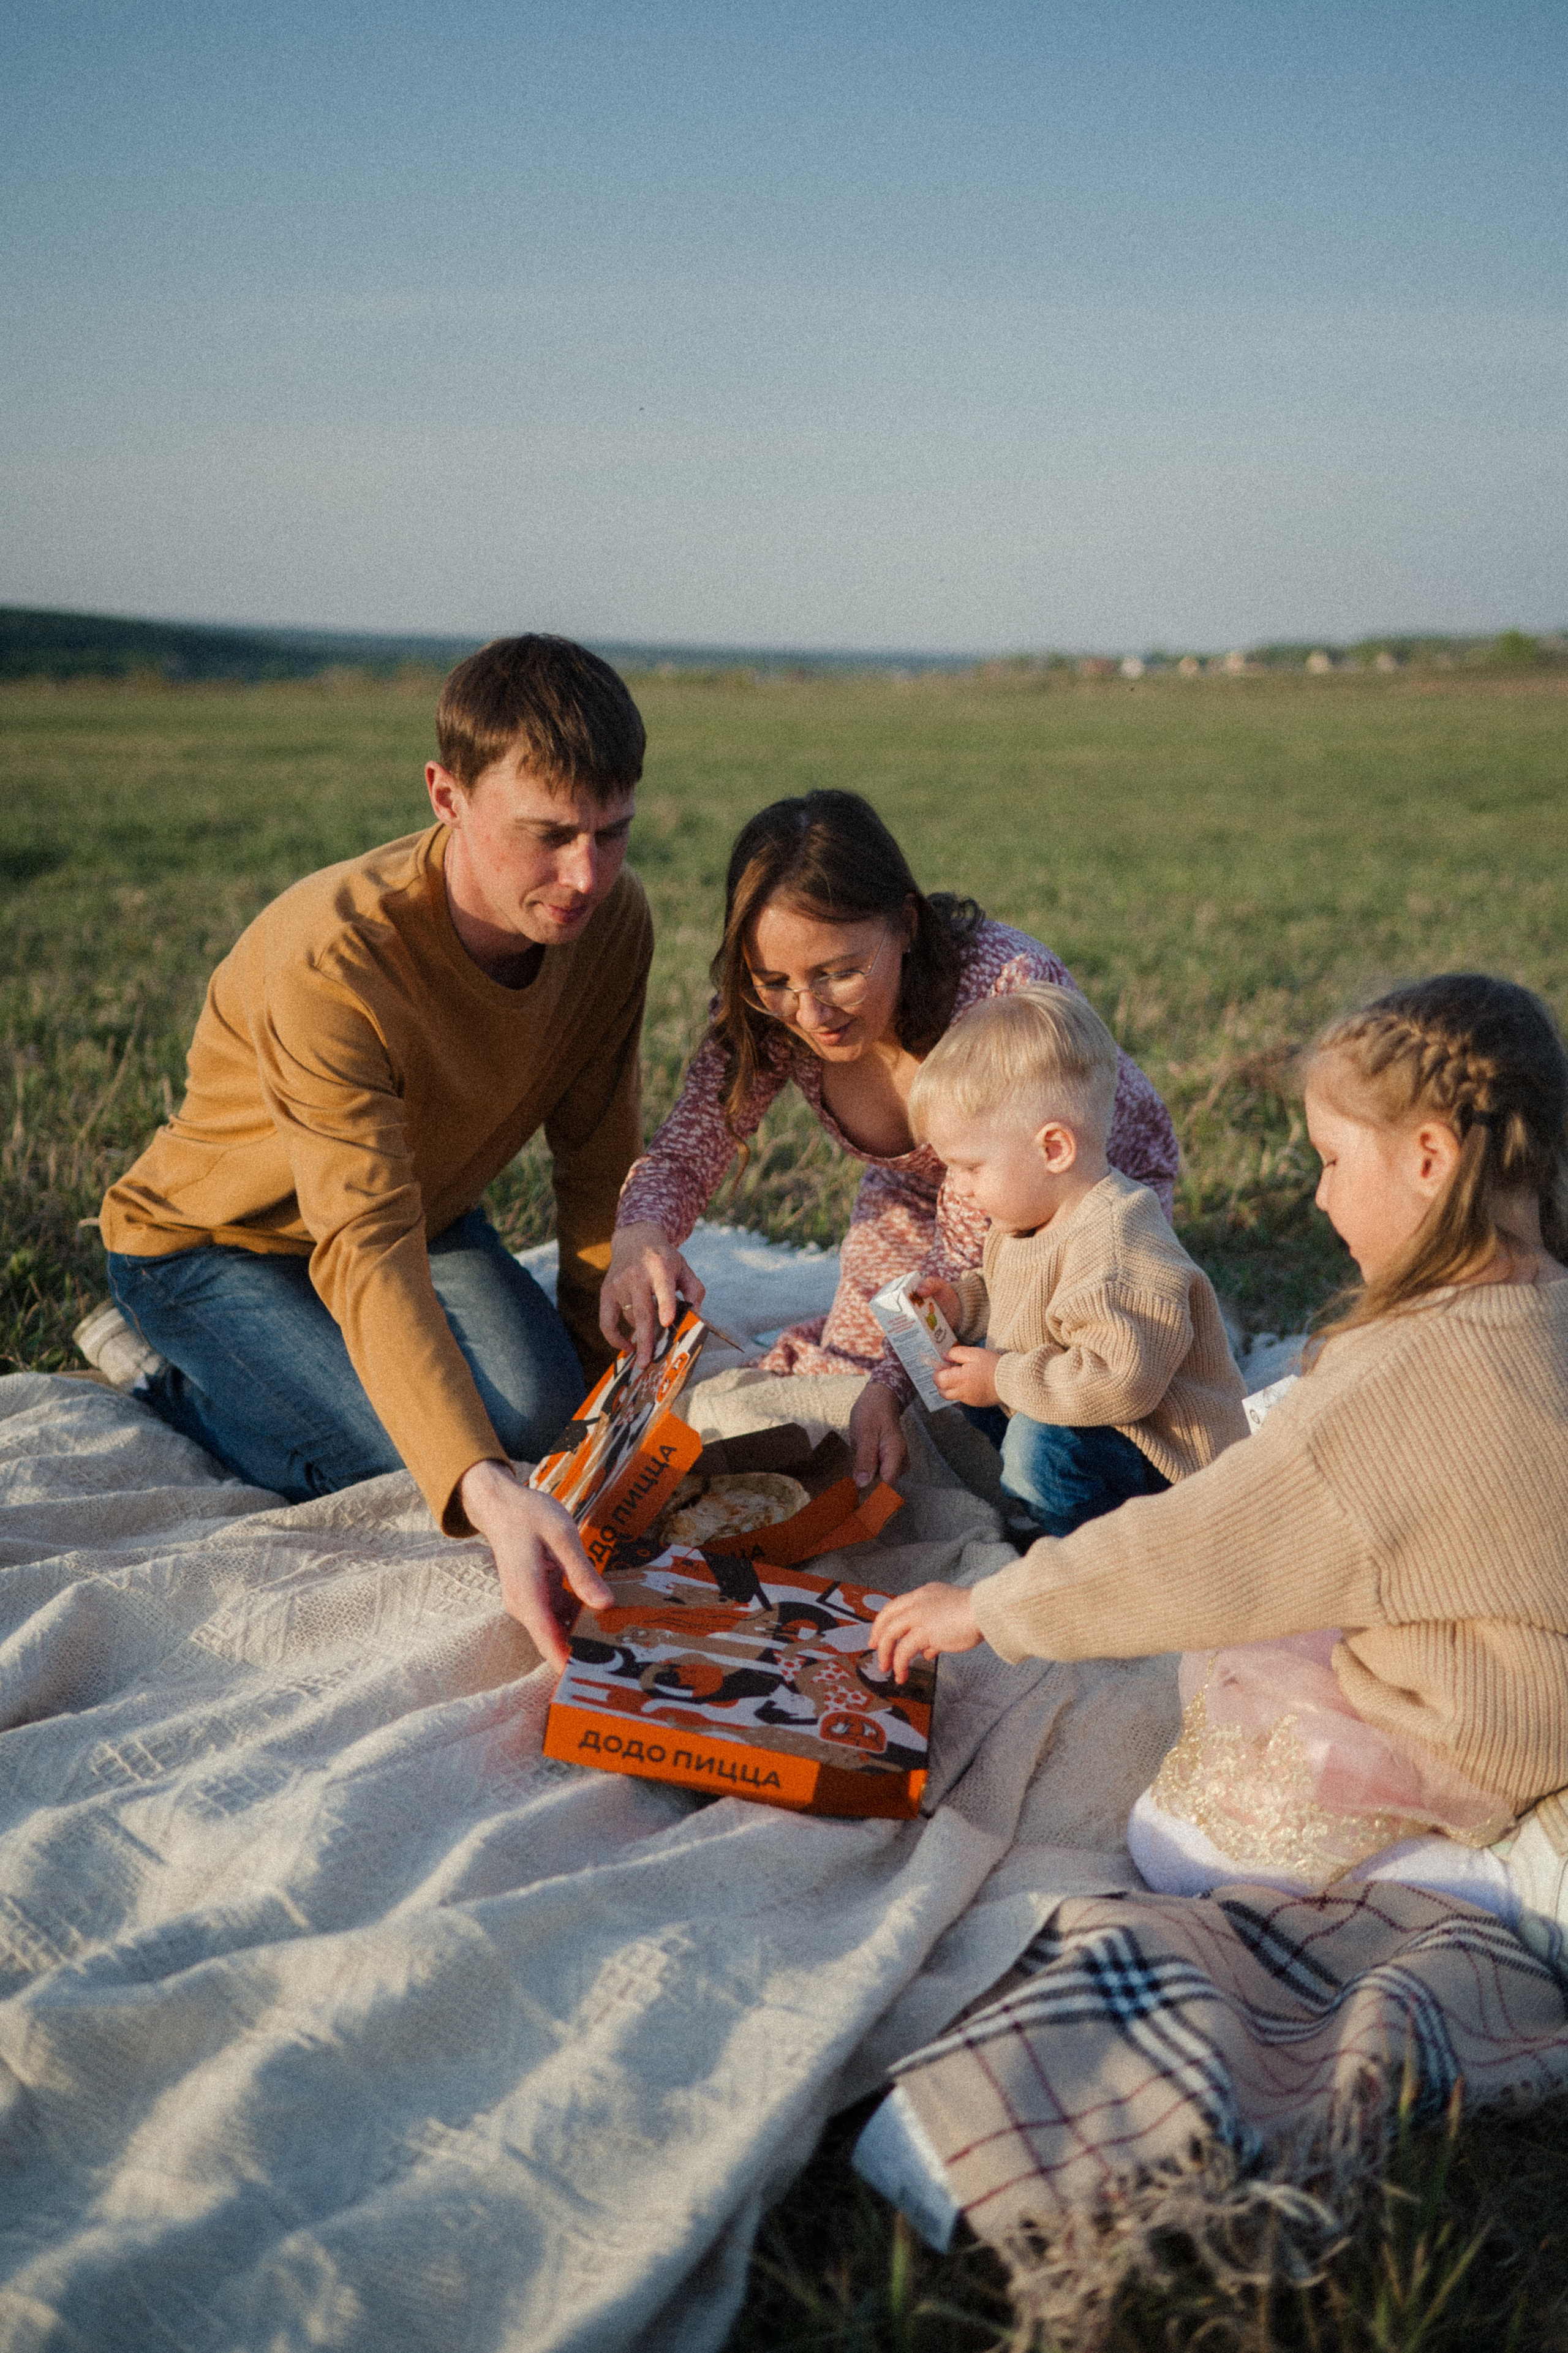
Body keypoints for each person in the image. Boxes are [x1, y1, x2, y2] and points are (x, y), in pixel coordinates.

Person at [873, 973, 1568, 1900]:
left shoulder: (1393, 1384)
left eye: (1330, 1160)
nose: (1319, 1198)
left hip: (1490, 1719)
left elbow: (1195, 1553)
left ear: (1430, 1157)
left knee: (1179, 1838)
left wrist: (991, 1608)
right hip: (1522, 1655)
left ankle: (1497, 1878)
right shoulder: (1546, 1298)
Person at [90, 635, 652, 1665]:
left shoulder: (613, 923)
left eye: (612, 834)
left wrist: (608, 1374)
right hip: (217, 1241)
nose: (586, 875)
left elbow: (598, 1145)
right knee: (409, 1468)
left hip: (424, 1211)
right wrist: (479, 1487)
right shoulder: (336, 957)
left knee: (537, 1423)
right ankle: (163, 1374)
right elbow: (363, 1247)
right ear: (446, 793)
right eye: (549, 835)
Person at [602, 790, 1180, 1490]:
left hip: (1063, 1189)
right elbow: (690, 1145)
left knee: (1008, 1380)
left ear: (906, 924)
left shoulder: (1002, 987)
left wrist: (896, 1373)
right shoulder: (766, 1014)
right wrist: (640, 1231)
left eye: (839, 973)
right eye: (774, 981)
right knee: (844, 1374)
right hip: (916, 1193)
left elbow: (976, 1233)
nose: (809, 1013)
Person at [902, 983, 1247, 1543]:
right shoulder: (1029, 1220)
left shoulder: (1120, 1242)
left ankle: (1081, 1556)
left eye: (969, 1167)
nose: (957, 1188)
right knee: (970, 1387)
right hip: (1088, 1413)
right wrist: (963, 1306)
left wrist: (1006, 1379)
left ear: (1054, 1149)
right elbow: (1022, 1296)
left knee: (1038, 1442)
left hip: (1167, 1457)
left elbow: (1122, 1382)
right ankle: (1035, 1508)